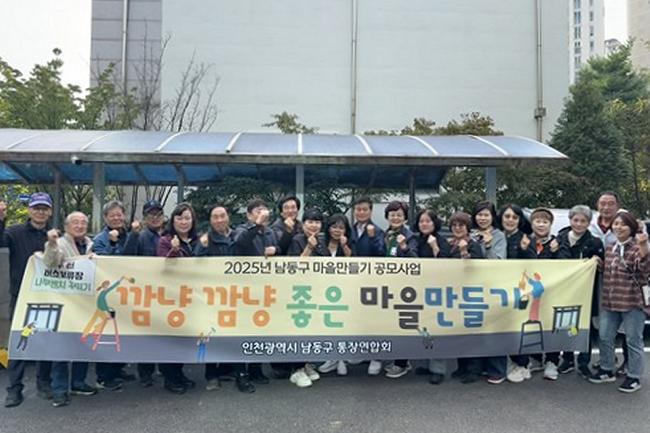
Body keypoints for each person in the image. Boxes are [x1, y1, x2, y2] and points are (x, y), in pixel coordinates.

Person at [0, 193, 54, 408]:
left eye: (44, 208)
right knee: (19, 343)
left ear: (50, 212)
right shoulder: (13, 232)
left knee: (46, 341)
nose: (40, 212)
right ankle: (14, 389)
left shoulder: (54, 235)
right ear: (29, 210)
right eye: (36, 208)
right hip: (21, 297)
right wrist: (1, 220)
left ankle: (44, 383)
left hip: (48, 297)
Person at [589, 211, 649, 393]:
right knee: (605, 336)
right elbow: (608, 271)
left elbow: (645, 268)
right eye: (616, 224)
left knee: (633, 340)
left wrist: (644, 245)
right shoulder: (610, 248)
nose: (619, 227)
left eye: (623, 224)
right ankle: (607, 369)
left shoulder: (637, 247)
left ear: (631, 228)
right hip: (610, 301)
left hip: (632, 301)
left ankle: (634, 376)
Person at [43, 212, 97, 407]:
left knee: (83, 343)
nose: (80, 226)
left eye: (83, 222)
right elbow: (50, 263)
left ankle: (78, 382)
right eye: (75, 222)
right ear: (66, 226)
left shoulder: (90, 244)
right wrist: (51, 244)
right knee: (61, 347)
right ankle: (59, 389)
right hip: (64, 303)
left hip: (85, 303)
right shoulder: (59, 244)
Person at [233, 199, 278, 391]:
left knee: (260, 329)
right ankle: (240, 373)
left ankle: (255, 368)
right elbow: (240, 243)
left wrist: (276, 250)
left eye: (264, 210)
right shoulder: (242, 229)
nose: (262, 214)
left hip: (264, 289)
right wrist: (257, 224)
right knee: (242, 331)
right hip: (245, 290)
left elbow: (279, 256)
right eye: (257, 211)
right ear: (249, 215)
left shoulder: (270, 232)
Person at [555, 205, 605, 379]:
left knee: (585, 328)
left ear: (588, 223)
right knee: (565, 325)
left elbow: (602, 268)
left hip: (586, 293)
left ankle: (584, 362)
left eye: (583, 221)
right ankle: (567, 359)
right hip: (564, 291)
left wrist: (598, 262)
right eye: (575, 220)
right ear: (570, 220)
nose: (578, 224)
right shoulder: (559, 239)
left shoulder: (595, 242)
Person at [194, 204, 239, 391]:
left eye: (222, 216)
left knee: (232, 332)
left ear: (228, 217)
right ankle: (211, 375)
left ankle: (226, 369)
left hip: (236, 294)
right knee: (211, 333)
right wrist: (202, 247)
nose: (220, 220)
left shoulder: (237, 236)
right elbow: (195, 263)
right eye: (215, 217)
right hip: (212, 295)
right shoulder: (205, 239)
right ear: (210, 221)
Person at [92, 200, 134, 391]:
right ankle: (103, 376)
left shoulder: (129, 236)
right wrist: (112, 243)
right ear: (105, 218)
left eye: (119, 214)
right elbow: (103, 263)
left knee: (123, 333)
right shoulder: (100, 239)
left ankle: (117, 369)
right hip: (108, 296)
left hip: (127, 293)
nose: (116, 218)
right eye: (112, 215)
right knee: (107, 333)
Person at [156, 202, 199, 394]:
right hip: (170, 297)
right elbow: (162, 266)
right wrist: (173, 251)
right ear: (173, 221)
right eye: (179, 218)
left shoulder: (197, 240)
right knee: (170, 338)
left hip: (190, 298)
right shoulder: (165, 240)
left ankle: (179, 374)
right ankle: (170, 378)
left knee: (183, 338)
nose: (183, 222)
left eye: (187, 218)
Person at [123, 199, 166, 388]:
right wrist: (133, 234)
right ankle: (145, 373)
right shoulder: (140, 236)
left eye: (158, 214)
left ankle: (164, 368)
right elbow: (127, 258)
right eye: (151, 215)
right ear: (145, 217)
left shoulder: (169, 235)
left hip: (167, 293)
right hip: (146, 293)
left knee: (165, 333)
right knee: (147, 335)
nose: (155, 218)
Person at [285, 208, 327, 387]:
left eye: (317, 222)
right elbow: (295, 266)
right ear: (303, 224)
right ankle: (296, 369)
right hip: (299, 292)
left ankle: (306, 364)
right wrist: (309, 247)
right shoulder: (297, 239)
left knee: (311, 329)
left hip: (316, 290)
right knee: (299, 329)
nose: (313, 225)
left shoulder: (322, 240)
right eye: (310, 221)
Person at [469, 201, 508, 384]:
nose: (482, 218)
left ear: (493, 217)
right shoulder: (470, 234)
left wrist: (489, 245)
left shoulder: (499, 235)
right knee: (476, 328)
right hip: (473, 288)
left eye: (486, 215)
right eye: (479, 214)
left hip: (494, 288)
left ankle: (497, 370)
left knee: (494, 328)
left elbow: (498, 262)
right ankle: (478, 368)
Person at [497, 204, 536, 383]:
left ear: (520, 220)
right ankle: (507, 362)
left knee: (517, 328)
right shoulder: (496, 236)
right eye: (507, 216)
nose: (510, 220)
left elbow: (534, 266)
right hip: (498, 291)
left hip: (519, 292)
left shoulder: (525, 238)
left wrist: (524, 249)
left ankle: (522, 364)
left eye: (514, 217)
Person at [411, 209, 450, 384]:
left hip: (437, 292)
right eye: (421, 221)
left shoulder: (441, 241)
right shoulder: (415, 240)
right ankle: (426, 364)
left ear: (435, 223)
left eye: (428, 221)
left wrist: (435, 247)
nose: (424, 224)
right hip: (418, 291)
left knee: (436, 329)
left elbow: (447, 266)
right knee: (423, 329)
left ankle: (438, 369)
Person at [446, 212, 485, 384]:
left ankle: (474, 369)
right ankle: (461, 366)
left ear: (467, 227)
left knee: (471, 331)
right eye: (454, 225)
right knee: (459, 331)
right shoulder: (450, 244)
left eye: (461, 225)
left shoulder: (473, 244)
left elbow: (477, 267)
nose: (457, 228)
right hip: (454, 292)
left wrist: (464, 252)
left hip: (470, 293)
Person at [349, 197, 385, 375]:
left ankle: (376, 357)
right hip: (352, 282)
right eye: (358, 209)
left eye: (364, 209)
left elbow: (382, 254)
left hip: (372, 283)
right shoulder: (349, 230)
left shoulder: (377, 231)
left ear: (371, 211)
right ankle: (361, 352)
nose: (361, 212)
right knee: (357, 319)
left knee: (374, 320)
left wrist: (372, 238)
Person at [382, 201, 417, 379]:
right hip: (387, 285)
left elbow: (416, 261)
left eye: (399, 215)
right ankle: (400, 360)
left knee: (402, 324)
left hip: (404, 287)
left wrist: (404, 247)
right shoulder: (385, 234)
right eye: (392, 215)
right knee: (391, 324)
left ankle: (401, 363)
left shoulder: (409, 236)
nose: (395, 218)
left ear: (405, 218)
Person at [316, 214, 354, 377]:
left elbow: (355, 263)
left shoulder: (349, 242)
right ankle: (331, 358)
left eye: (341, 227)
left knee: (342, 324)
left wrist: (345, 246)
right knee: (327, 325)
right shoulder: (319, 242)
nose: (337, 230)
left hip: (343, 290)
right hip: (322, 289)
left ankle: (341, 359)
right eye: (334, 227)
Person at [526, 208, 561, 380]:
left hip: (552, 292)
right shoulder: (526, 241)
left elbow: (565, 264)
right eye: (538, 221)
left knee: (551, 326)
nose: (541, 225)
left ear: (550, 224)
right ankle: (535, 358)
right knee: (533, 323)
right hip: (531, 293)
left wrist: (554, 252)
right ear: (532, 223)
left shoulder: (557, 242)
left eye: (545, 222)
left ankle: (552, 361)